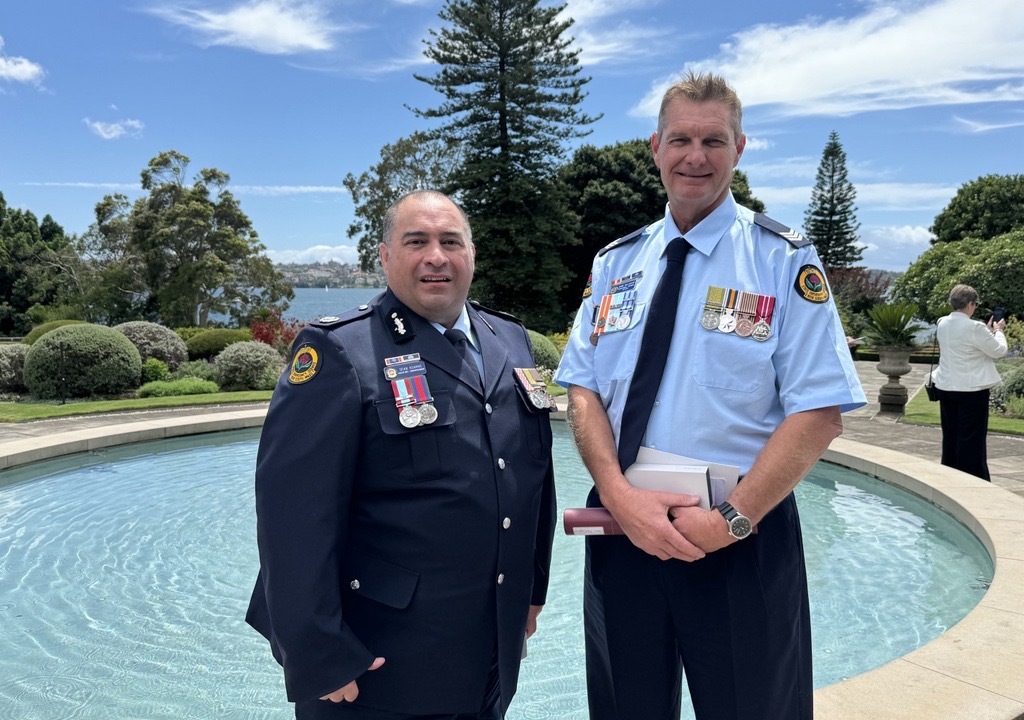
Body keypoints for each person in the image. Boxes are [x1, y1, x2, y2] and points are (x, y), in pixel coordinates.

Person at [555, 71, 865, 720]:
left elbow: (818, 414)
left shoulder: (784, 262)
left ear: (741, 148)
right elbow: (581, 390)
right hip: (621, 531)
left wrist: (730, 519)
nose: (695, 155)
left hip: (738, 533)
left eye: (713, 140)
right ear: (655, 147)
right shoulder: (615, 263)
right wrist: (616, 495)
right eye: (680, 139)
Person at [246, 190, 557, 719]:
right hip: (378, 663)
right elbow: (292, 519)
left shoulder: (511, 340)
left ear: (471, 255)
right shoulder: (340, 352)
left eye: (450, 241)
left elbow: (532, 477)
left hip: (487, 649)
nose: (436, 256)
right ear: (387, 256)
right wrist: (319, 653)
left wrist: (531, 589)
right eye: (417, 242)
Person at [932, 284, 1007, 480]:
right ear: (970, 304)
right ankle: (975, 479)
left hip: (946, 387)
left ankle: (949, 475)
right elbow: (999, 351)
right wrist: (998, 331)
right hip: (971, 390)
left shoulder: (942, 323)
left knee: (951, 436)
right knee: (971, 440)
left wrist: (987, 332)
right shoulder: (975, 327)